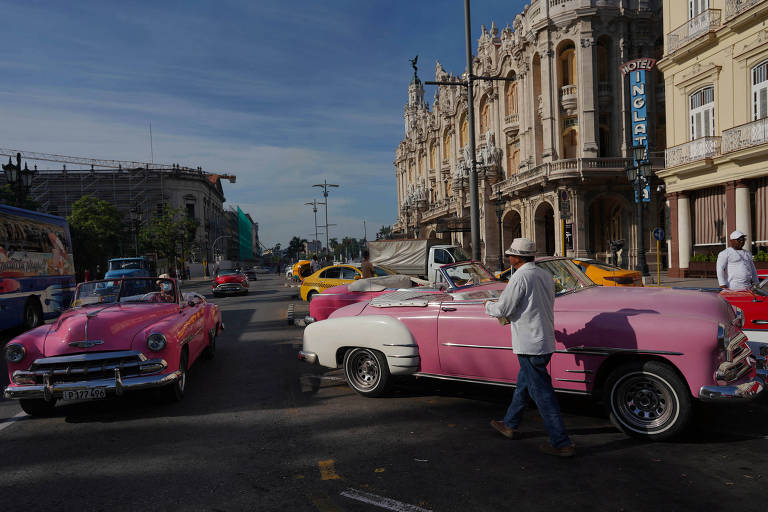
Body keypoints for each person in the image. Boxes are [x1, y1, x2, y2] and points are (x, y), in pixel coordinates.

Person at [485, 238, 575, 457]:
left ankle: (561, 442)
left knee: (542, 394)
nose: (508, 257)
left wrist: (487, 305)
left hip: (528, 343)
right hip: (544, 341)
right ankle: (509, 424)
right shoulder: (544, 275)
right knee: (523, 385)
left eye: (510, 254)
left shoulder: (519, 277)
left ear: (517, 258)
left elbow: (503, 308)